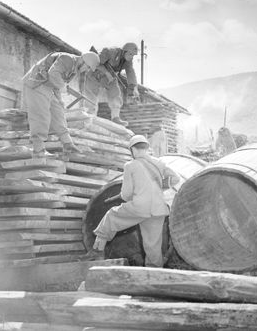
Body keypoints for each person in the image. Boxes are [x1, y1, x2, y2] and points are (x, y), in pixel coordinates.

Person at [81, 135, 181, 267]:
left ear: (133, 149)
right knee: (153, 246)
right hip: (158, 209)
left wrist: (129, 196)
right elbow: (175, 178)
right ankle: (154, 271)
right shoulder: (158, 163)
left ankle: (98, 250)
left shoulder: (130, 165)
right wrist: (158, 188)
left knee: (111, 216)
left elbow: (127, 194)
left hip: (140, 207)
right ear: (146, 148)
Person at [22, 52, 100, 158]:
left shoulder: (73, 70)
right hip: (36, 83)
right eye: (88, 67)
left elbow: (56, 85)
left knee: (59, 112)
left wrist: (60, 100)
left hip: (47, 86)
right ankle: (38, 150)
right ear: (83, 61)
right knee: (42, 116)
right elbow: (53, 74)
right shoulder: (68, 59)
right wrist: (63, 86)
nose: (87, 70)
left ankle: (68, 144)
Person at [81, 42, 140, 126]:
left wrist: (134, 87)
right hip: (94, 73)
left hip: (110, 76)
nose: (131, 57)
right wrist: (107, 73)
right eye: (130, 54)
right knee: (91, 95)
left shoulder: (128, 61)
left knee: (115, 92)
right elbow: (96, 63)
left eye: (133, 55)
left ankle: (115, 117)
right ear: (124, 51)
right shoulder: (109, 51)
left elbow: (130, 72)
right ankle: (90, 115)